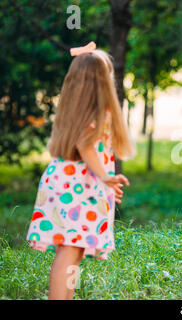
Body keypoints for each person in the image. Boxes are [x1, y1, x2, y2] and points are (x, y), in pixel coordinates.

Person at [26, 42, 134, 300]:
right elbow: (86, 147)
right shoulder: (97, 112)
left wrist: (106, 184)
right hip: (77, 188)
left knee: (71, 251)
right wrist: (106, 178)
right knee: (70, 252)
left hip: (66, 183)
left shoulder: (76, 111)